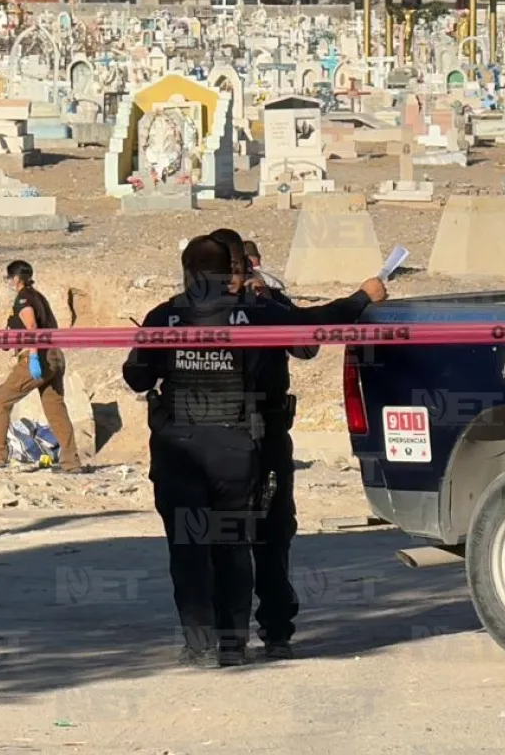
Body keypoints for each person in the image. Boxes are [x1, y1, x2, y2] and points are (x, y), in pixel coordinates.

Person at [122, 236, 387, 669]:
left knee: (188, 550)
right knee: (232, 545)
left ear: (188, 273)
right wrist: (362, 297)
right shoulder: (257, 315)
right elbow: (316, 325)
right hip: (235, 448)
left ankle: (201, 644)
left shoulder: (163, 316)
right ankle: (232, 643)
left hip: (178, 450)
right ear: (229, 272)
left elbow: (135, 378)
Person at [210, 229, 313, 660]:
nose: (232, 278)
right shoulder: (194, 309)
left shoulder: (268, 305)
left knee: (272, 533)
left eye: (237, 268)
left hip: (267, 433)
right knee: (226, 538)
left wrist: (272, 303)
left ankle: (276, 629)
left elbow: (305, 346)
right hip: (218, 439)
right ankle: (230, 635)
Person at [0, 260, 84, 474]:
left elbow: (31, 326)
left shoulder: (23, 299)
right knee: (56, 410)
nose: (9, 282)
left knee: (2, 401)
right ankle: (71, 463)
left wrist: (32, 355)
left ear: (16, 279)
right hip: (55, 356)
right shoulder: (39, 297)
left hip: (38, 356)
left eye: (9, 278)